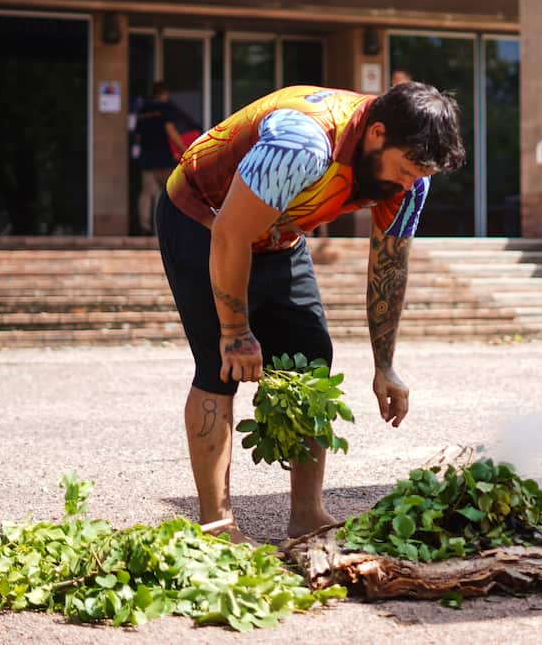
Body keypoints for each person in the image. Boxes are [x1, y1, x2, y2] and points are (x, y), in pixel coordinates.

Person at [155, 82, 466, 544]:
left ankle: (306, 515)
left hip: (279, 232)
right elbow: (230, 235)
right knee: (219, 365)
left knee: (311, 359)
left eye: (417, 175)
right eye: (404, 170)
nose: (408, 183)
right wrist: (236, 331)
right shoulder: (302, 144)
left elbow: (389, 265)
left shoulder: (411, 180)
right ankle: (217, 525)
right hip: (205, 220)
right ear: (377, 133)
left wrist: (385, 365)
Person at [133, 82, 189, 235]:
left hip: (147, 158)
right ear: (165, 94)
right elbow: (170, 131)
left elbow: (137, 136)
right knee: (171, 193)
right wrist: (185, 150)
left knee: (147, 193)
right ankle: (167, 227)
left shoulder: (143, 110)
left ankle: (144, 225)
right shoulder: (166, 108)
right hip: (164, 158)